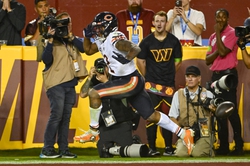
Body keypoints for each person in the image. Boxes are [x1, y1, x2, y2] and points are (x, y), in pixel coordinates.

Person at [76, 11, 194, 154]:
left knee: (94, 93)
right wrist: (86, 36)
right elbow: (88, 50)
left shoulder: (114, 38)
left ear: (109, 27)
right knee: (151, 116)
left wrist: (127, 58)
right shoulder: (103, 39)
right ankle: (183, 133)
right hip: (131, 80)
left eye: (100, 27)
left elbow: (135, 48)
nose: (97, 30)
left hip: (129, 80)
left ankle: (94, 131)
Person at [39, 12, 88, 158]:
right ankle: (47, 149)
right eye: (60, 24)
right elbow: (46, 60)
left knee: (65, 117)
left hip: (70, 83)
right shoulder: (49, 40)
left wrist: (70, 36)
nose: (64, 27)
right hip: (56, 83)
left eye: (67, 23)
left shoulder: (71, 40)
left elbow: (84, 48)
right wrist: (49, 39)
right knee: (57, 115)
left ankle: (63, 149)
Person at [136, 11, 182, 156]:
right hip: (152, 86)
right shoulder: (146, 42)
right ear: (153, 23)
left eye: (163, 21)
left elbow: (178, 61)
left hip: (168, 85)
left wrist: (168, 74)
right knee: (151, 117)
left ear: (166, 22)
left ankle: (168, 147)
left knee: (168, 117)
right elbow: (140, 61)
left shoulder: (174, 41)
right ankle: (152, 148)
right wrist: (149, 77)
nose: (160, 24)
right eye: (157, 21)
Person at [74, 58, 136, 158]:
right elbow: (82, 94)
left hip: (122, 122)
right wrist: (89, 77)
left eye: (103, 67)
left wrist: (106, 82)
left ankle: (134, 140)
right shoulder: (95, 80)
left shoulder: (117, 77)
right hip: (105, 125)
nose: (101, 70)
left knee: (127, 152)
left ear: (108, 67)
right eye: (98, 68)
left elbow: (121, 94)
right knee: (104, 153)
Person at [205, 8, 244, 156]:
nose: (220, 20)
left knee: (231, 110)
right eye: (218, 17)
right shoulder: (212, 36)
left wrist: (219, 35)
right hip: (215, 75)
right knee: (218, 111)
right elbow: (207, 59)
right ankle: (223, 146)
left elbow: (222, 52)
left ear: (228, 19)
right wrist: (215, 50)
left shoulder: (232, 33)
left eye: (223, 17)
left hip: (228, 76)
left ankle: (238, 145)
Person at [169, 65, 215, 157]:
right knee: (181, 154)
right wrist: (181, 130)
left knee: (197, 154)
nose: (190, 79)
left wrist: (214, 109)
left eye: (193, 76)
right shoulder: (178, 94)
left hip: (204, 133)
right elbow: (172, 117)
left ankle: (208, 149)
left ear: (199, 79)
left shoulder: (207, 93)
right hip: (186, 133)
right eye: (188, 76)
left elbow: (215, 113)